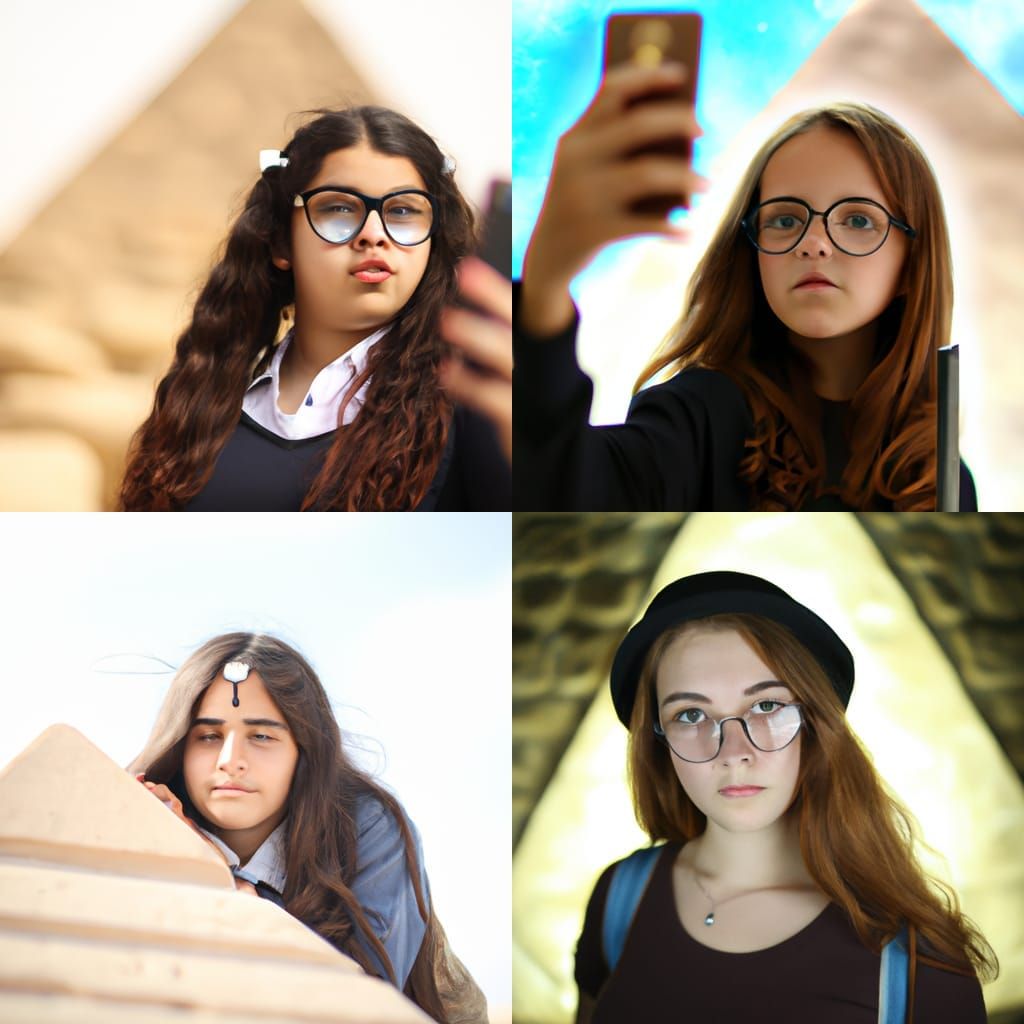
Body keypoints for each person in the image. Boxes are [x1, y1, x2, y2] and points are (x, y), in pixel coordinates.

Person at [516, 62, 977, 510]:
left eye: (857, 219)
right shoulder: (698, 416)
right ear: (750, 251)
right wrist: (545, 286)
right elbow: (563, 488)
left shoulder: (945, 479)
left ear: (913, 263)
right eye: (785, 219)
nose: (813, 243)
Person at [574, 571, 996, 1022]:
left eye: (766, 706)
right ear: (657, 740)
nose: (734, 753)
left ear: (814, 723)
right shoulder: (619, 898)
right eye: (691, 713)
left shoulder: (920, 964)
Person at [119, 106, 511, 510]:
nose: (373, 235)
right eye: (340, 208)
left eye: (403, 211)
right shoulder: (201, 405)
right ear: (280, 242)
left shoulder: (472, 407)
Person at [128, 632, 487, 1024]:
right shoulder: (141, 820)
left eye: (261, 736)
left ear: (305, 750)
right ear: (182, 747)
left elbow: (359, 1006)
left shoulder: (368, 829)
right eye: (209, 736)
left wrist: (216, 876)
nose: (231, 761)